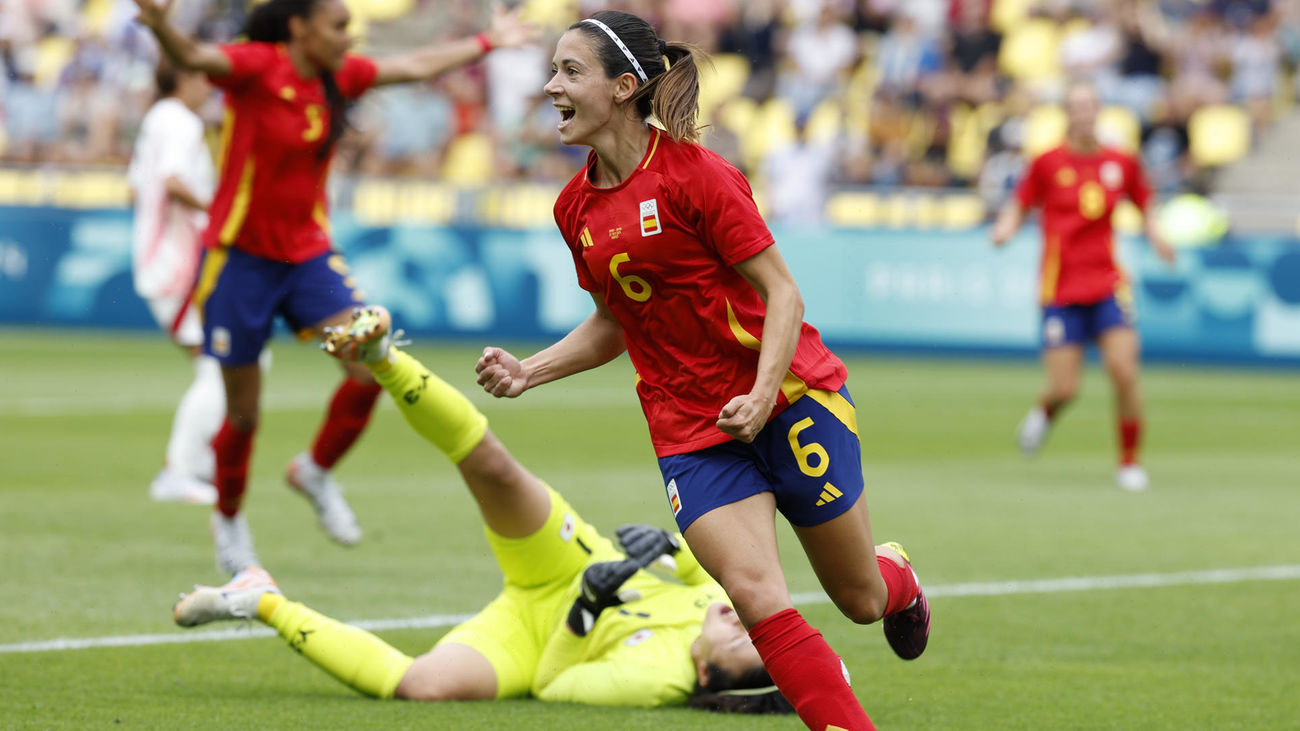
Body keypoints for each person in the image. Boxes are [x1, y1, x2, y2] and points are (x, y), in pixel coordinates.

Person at [474, 12, 930, 730]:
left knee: (860, 600)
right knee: (755, 594)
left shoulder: (698, 176)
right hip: (690, 428)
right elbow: (614, 322)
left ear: (624, 87)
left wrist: (758, 392)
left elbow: (784, 292)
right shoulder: (574, 209)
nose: (549, 86)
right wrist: (529, 371)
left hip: (788, 398)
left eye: (569, 72)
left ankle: (897, 576)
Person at [172, 306, 796, 716]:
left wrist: (583, 615)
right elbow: (698, 567)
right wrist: (664, 544)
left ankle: (258, 598)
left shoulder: (656, 681)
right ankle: (385, 356)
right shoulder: (720, 604)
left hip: (533, 638)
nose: (745, 622)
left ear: (708, 676)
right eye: (757, 630)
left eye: (743, 643)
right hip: (568, 560)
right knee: (492, 465)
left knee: (422, 686)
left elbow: (552, 684)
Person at [131, 0, 534, 572]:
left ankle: (314, 471)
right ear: (300, 28)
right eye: (339, 25)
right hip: (238, 261)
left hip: (308, 259)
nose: (351, 36)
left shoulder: (340, 76)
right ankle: (229, 522)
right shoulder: (256, 66)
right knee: (243, 413)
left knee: (370, 362)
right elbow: (193, 55)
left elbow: (416, 64)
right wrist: (160, 25)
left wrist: (487, 43)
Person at [991, 81, 1176, 492]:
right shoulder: (1047, 163)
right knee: (1065, 387)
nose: (1084, 113)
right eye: (1076, 106)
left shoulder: (1121, 162)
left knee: (1124, 370)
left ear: (1099, 110)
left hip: (1108, 283)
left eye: (1090, 106)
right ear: (1067, 113)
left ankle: (1129, 461)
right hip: (1061, 288)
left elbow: (1144, 203)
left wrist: (1159, 236)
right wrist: (1005, 228)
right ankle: (1044, 412)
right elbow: (1020, 202)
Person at [127, 57, 222, 506]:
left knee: (231, 362)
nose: (210, 86)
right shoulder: (181, 121)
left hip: (162, 258)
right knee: (221, 366)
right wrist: (218, 213)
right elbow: (173, 181)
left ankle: (197, 464)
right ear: (185, 77)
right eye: (204, 77)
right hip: (179, 264)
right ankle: (180, 471)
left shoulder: (156, 119)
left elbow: (136, 187)